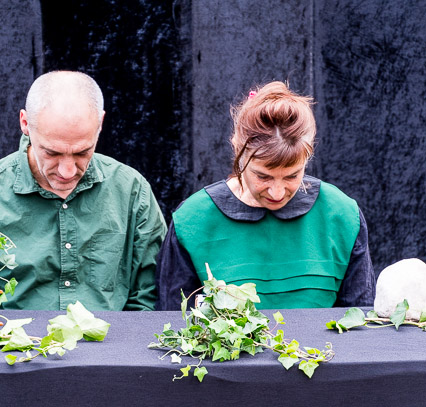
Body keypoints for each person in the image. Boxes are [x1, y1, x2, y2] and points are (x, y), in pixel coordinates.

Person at [0, 71, 167, 311]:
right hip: (6, 350)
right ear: (25, 123)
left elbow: (152, 297)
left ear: (100, 123)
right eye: (52, 153)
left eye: (82, 152)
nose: (68, 170)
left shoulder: (131, 191)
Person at [156, 81, 375, 310]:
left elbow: (359, 324)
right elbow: (172, 320)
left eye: (291, 176)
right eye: (263, 176)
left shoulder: (341, 215)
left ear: (309, 155)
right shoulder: (193, 220)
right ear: (237, 149)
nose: (277, 193)